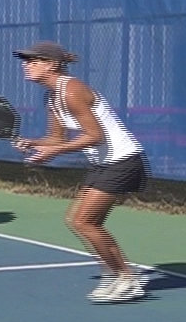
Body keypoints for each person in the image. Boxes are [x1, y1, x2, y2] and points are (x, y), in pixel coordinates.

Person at [12, 41, 149, 303]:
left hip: (123, 160)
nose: (26, 66)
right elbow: (55, 137)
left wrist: (54, 152)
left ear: (52, 65)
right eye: (25, 61)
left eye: (33, 61)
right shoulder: (51, 96)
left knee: (85, 222)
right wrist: (33, 143)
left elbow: (94, 136)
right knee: (76, 221)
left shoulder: (72, 90)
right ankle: (116, 272)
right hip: (104, 163)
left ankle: (127, 278)